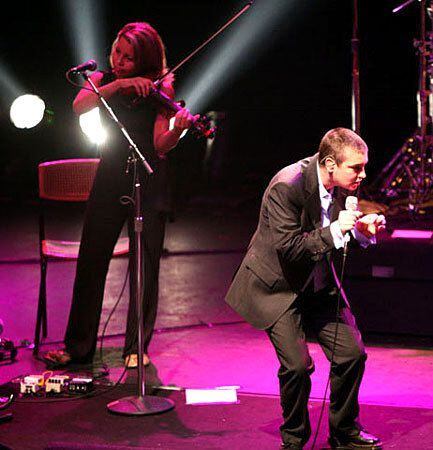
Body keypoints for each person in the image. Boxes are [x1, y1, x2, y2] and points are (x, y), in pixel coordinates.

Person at [45, 22, 196, 368]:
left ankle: (135, 347)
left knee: (145, 266)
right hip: (110, 177)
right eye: (118, 52)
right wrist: (122, 83)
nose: (121, 60)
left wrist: (178, 130)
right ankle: (78, 346)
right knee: (91, 260)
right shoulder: (103, 81)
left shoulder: (162, 89)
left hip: (149, 179)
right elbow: (80, 106)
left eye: (130, 58)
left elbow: (160, 145)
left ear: (145, 58)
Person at [225, 128, 386, 450]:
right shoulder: (287, 185)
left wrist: (361, 230)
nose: (363, 174)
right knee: (298, 367)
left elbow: (339, 228)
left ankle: (344, 432)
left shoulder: (341, 186)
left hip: (319, 284)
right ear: (330, 163)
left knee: (352, 355)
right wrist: (336, 230)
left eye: (364, 166)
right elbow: (290, 248)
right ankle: (294, 438)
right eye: (356, 167)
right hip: (280, 287)